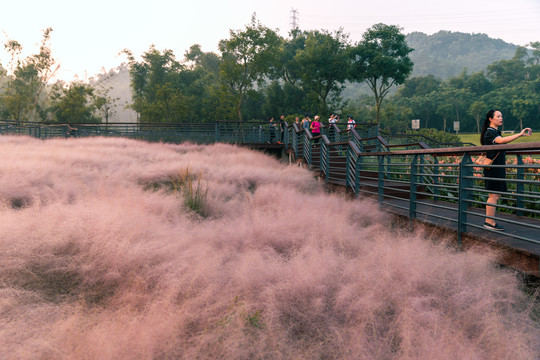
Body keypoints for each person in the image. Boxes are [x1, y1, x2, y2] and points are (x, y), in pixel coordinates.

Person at [480, 109, 531, 231]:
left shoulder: (493, 132)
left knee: (495, 195)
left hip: (496, 168)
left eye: (501, 116)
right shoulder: (490, 132)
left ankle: (489, 221)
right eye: (498, 116)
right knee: (493, 195)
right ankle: (489, 222)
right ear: (491, 119)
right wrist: (520, 134)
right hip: (493, 169)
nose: (501, 118)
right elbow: (501, 141)